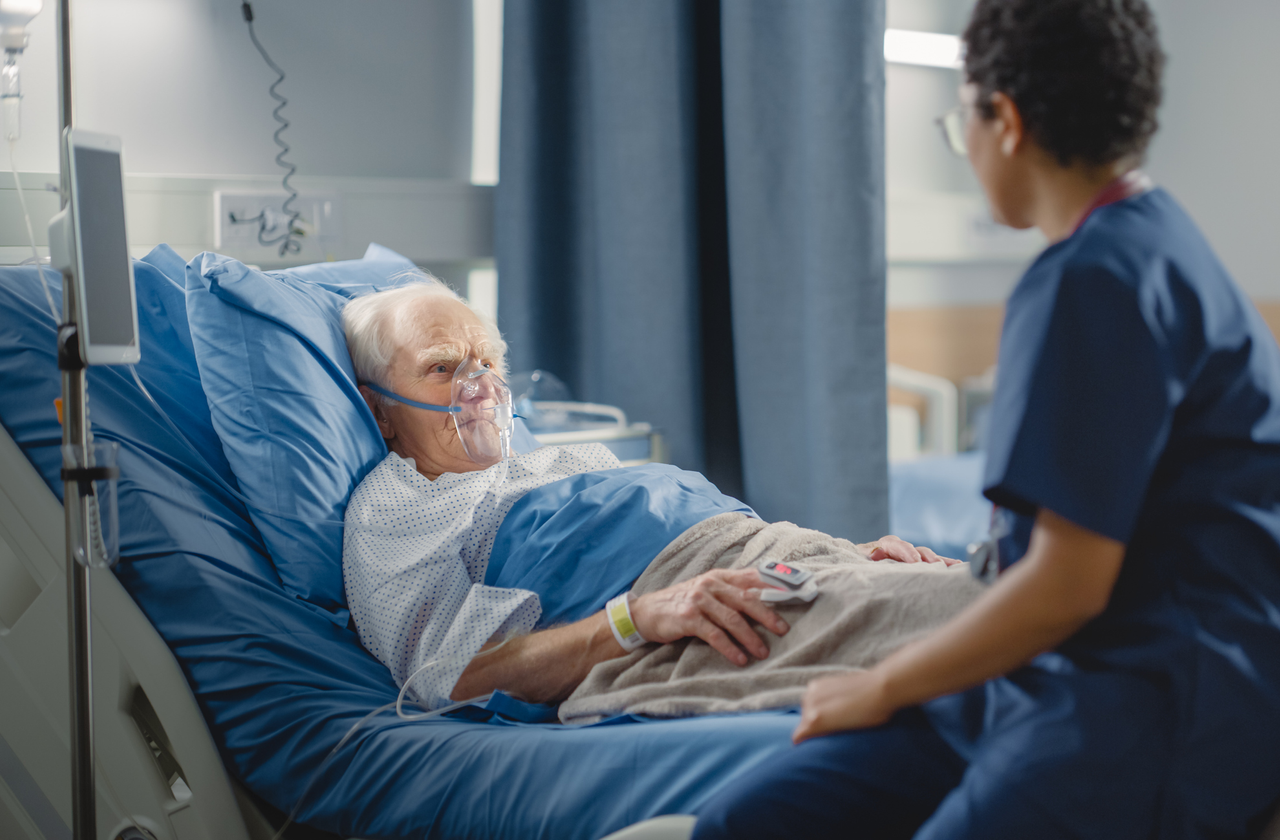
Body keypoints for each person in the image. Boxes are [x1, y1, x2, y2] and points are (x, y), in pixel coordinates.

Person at [693, 1, 1280, 838]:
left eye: (959, 115)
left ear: (1003, 119)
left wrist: (886, 682)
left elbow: (1070, 583)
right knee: (748, 820)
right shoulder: (1154, 240)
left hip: (1149, 702)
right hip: (1048, 679)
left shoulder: (1097, 278)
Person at [339, 281, 955, 710]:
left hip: (763, 557)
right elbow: (443, 678)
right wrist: (636, 620)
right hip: (686, 607)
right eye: (443, 369)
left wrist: (847, 553)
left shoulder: (554, 459)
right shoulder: (398, 502)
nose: (480, 388)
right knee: (969, 622)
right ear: (381, 411)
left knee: (953, 585)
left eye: (488, 362)